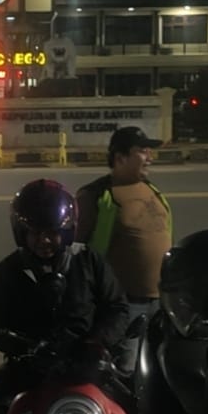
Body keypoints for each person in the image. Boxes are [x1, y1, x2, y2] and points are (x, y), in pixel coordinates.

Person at [0, 179, 129, 414]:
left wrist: (96, 342)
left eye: (52, 233)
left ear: (66, 231)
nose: (44, 241)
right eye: (35, 233)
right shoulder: (7, 271)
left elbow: (117, 308)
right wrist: (27, 347)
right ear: (21, 233)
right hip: (29, 368)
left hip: (87, 365)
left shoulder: (89, 261)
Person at [75, 125, 172, 325]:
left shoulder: (153, 190)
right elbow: (77, 252)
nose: (150, 158)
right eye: (143, 152)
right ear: (120, 158)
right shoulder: (96, 195)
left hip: (162, 303)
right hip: (124, 306)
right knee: (127, 348)